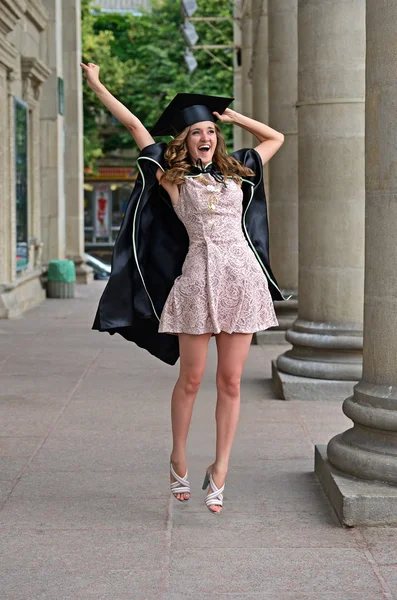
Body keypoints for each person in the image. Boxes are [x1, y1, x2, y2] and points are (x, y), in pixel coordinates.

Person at [81, 61, 285, 513]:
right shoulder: (171, 178)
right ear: (184, 141)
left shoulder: (238, 171)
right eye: (196, 132)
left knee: (231, 382)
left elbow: (276, 139)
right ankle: (178, 457)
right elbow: (134, 124)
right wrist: (97, 84)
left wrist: (232, 116)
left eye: (210, 131)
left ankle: (222, 469)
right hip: (196, 281)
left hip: (241, 281)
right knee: (191, 379)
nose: (205, 137)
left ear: (217, 137)